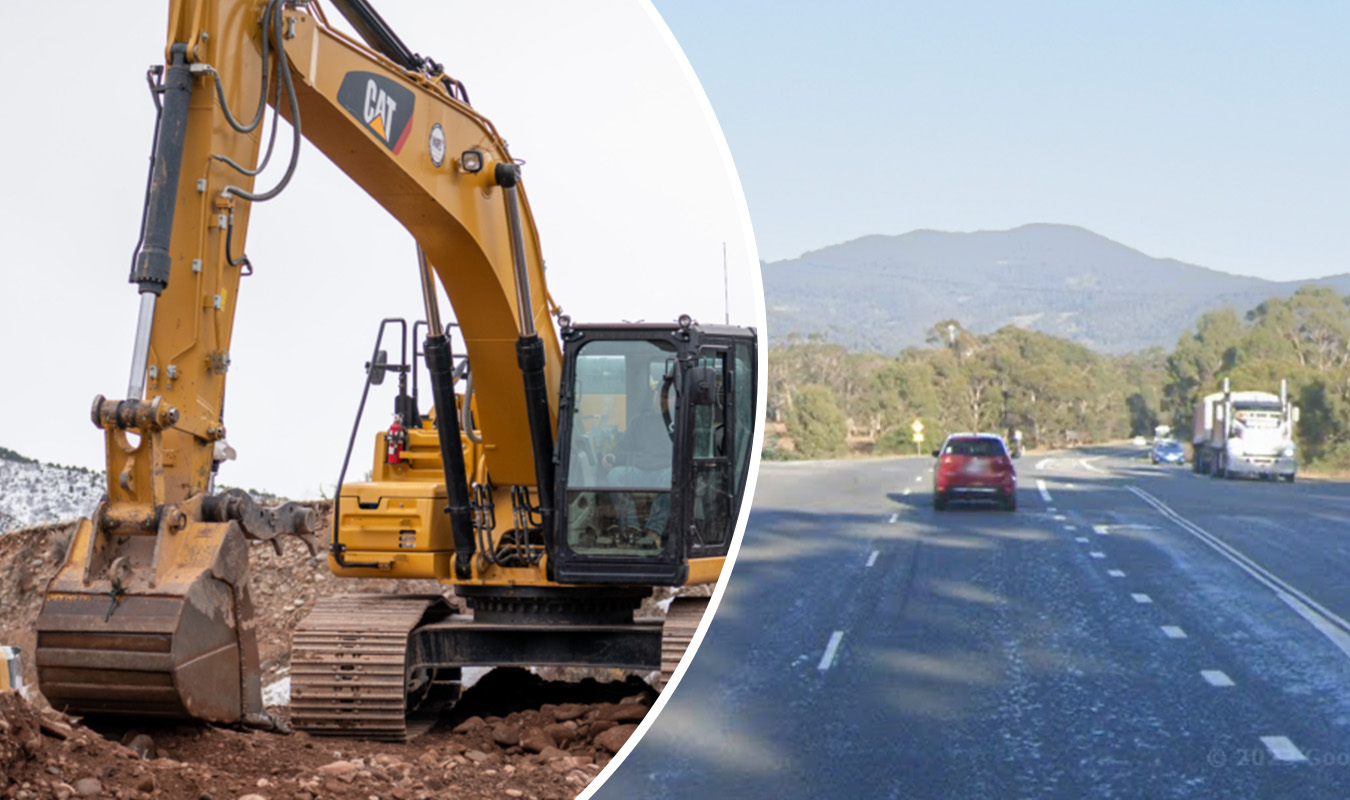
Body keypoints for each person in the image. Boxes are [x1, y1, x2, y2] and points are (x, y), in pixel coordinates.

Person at [603, 381, 673, 545]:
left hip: (666, 472)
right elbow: (623, 445)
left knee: (672, 478)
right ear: (653, 397)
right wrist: (612, 455)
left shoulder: (679, 424)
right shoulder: (640, 422)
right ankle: (631, 527)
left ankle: (653, 531)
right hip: (640, 472)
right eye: (659, 396)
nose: (661, 401)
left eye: (666, 397)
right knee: (615, 475)